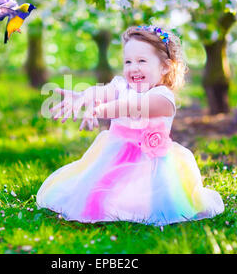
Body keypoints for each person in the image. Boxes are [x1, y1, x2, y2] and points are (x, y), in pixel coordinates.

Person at [36, 25, 224, 226]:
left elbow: (131, 107)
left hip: (150, 165)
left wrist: (99, 111)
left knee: (143, 200)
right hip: (114, 154)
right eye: (128, 61)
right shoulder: (122, 86)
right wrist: (84, 97)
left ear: (165, 66)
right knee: (96, 192)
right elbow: (101, 92)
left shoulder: (163, 98)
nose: (133, 67)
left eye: (142, 61)